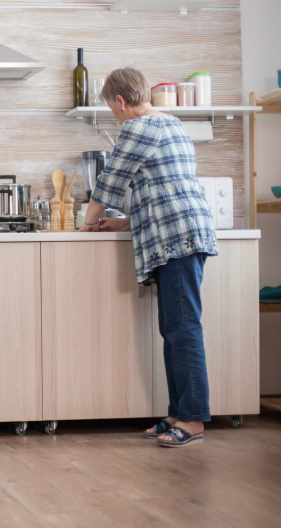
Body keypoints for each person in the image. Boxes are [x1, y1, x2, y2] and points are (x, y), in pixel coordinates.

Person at [79, 67, 218, 448]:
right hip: (181, 231)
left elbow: (110, 183)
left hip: (177, 237)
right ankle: (177, 413)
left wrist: (84, 224)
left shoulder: (137, 128)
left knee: (183, 329)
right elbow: (162, 184)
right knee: (174, 330)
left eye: (112, 109)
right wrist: (124, 222)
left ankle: (192, 420)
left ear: (121, 102)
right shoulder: (170, 123)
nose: (115, 116)